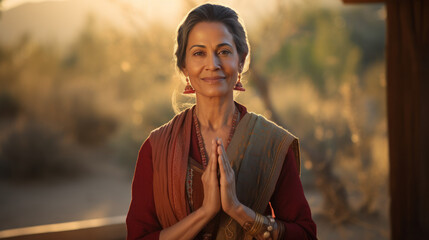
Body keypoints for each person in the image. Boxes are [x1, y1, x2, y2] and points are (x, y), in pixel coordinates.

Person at [126, 3, 317, 240]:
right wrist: (205, 212)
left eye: (224, 51)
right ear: (184, 67)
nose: (212, 64)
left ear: (241, 60)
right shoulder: (156, 148)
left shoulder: (272, 144)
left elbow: (306, 234)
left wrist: (239, 210)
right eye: (199, 53)